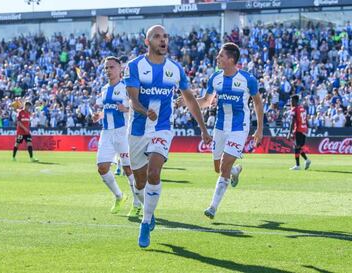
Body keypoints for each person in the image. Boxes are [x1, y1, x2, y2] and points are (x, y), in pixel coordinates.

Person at [124, 25, 212, 248]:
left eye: (165, 37)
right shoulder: (134, 66)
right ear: (147, 42)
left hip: (162, 127)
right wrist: (146, 111)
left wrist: (202, 127)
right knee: (139, 182)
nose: (162, 40)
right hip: (138, 129)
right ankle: (149, 212)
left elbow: (190, 100)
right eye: (157, 36)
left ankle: (145, 223)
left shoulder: (175, 69)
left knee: (154, 172)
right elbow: (134, 101)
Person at [179, 42, 264, 219]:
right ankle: (234, 171)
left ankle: (212, 207)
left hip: (239, 127)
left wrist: (259, 129)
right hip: (220, 126)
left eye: (221, 56)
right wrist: (188, 101)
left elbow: (257, 102)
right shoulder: (215, 78)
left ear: (231, 60)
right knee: (219, 168)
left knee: (224, 163)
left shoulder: (247, 79)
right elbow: (207, 101)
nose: (217, 58)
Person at [93, 56, 142, 217]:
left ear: (120, 69)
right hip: (106, 132)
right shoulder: (104, 89)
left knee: (129, 169)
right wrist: (98, 116)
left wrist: (127, 109)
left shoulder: (127, 88)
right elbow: (107, 110)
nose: (108, 70)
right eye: (106, 67)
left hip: (123, 132)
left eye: (111, 67)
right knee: (102, 168)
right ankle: (119, 196)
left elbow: (138, 107)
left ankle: (136, 204)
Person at [287, 95, 311, 170]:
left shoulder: (295, 109)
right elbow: (306, 120)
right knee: (299, 148)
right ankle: (307, 160)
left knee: (297, 147)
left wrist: (289, 133)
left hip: (299, 130)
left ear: (295, 101)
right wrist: (307, 127)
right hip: (304, 130)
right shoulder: (302, 108)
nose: (291, 102)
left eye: (292, 101)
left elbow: (292, 121)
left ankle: (298, 165)